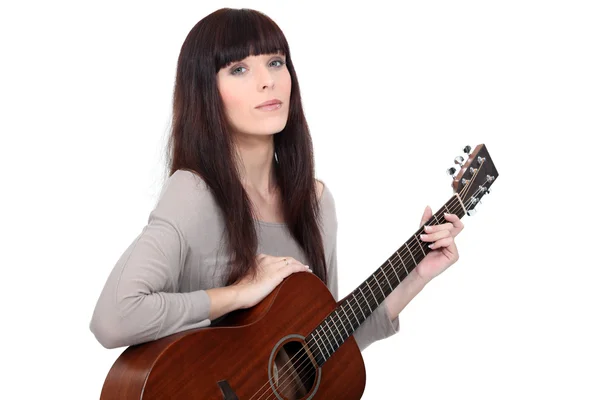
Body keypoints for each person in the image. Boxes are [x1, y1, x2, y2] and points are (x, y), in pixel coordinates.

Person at [90, 7, 463, 354]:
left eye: (275, 62)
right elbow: (114, 317)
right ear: (205, 92)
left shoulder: (315, 202)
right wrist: (240, 293)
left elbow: (317, 349)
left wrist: (416, 276)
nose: (267, 81)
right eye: (239, 68)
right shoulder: (194, 194)